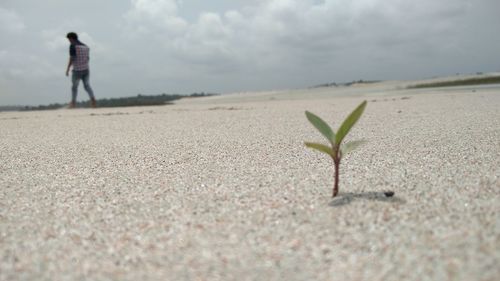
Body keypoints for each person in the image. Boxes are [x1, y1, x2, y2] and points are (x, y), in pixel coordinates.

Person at [65, 32, 96, 108]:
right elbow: (88, 58)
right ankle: (93, 100)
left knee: (74, 87)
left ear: (71, 38)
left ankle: (73, 103)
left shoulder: (73, 46)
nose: (69, 41)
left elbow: (72, 58)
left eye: (68, 39)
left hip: (77, 70)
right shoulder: (86, 47)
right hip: (86, 69)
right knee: (87, 86)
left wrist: (68, 69)